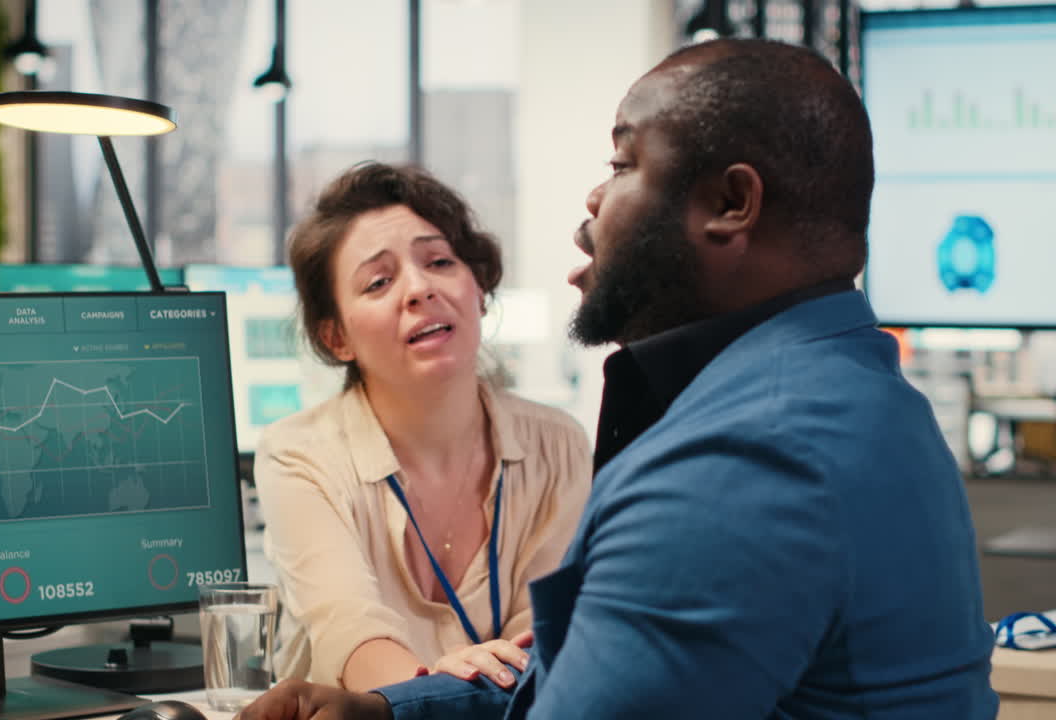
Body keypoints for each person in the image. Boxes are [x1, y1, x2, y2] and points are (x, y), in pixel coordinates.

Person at [238, 37, 999, 720]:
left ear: (731, 204)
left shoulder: (737, 460)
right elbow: (580, 667)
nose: (594, 202)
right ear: (334, 335)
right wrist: (389, 712)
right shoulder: (849, 392)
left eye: (621, 165)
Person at [253, 162, 592, 693]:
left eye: (439, 261)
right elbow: (350, 632)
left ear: (478, 288)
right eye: (379, 281)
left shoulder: (559, 445)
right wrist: (436, 691)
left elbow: (547, 640)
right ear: (337, 336)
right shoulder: (297, 454)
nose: (419, 288)